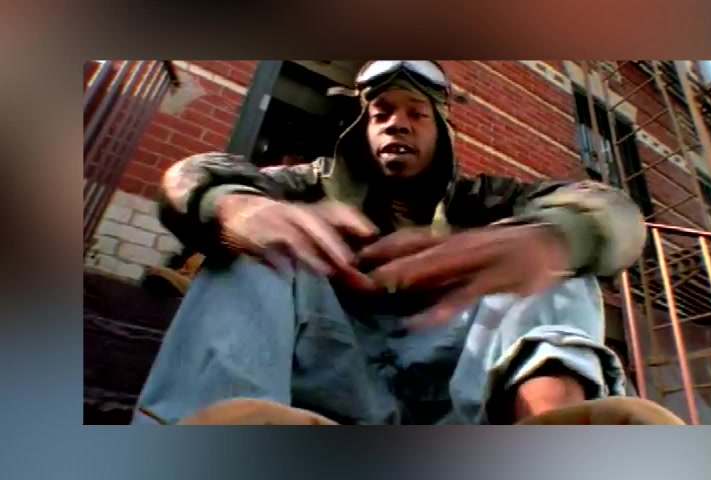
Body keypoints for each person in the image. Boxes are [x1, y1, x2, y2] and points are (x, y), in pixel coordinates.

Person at [132, 61, 680, 426]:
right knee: (258, 247)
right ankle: (220, 424)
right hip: (332, 368)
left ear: (441, 129)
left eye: (416, 114)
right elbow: (192, 176)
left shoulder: (489, 197)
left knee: (551, 253)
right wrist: (234, 208)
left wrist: (553, 238)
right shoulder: (305, 183)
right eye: (382, 114)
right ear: (362, 128)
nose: (398, 125)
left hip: (454, 381)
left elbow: (613, 209)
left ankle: (552, 427)